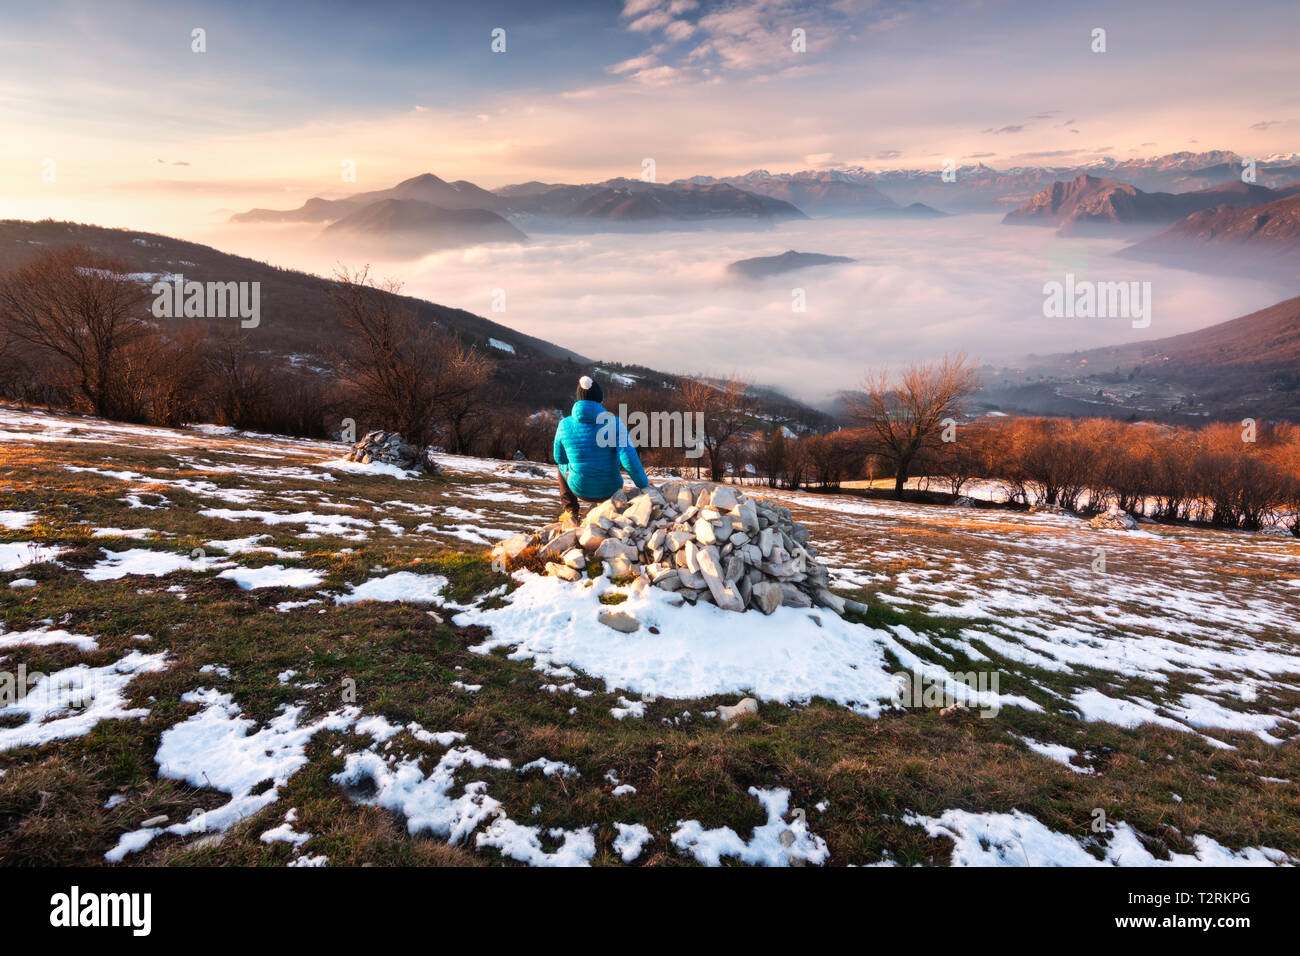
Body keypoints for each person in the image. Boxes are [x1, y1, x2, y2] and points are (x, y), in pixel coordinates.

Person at [553, 375, 649, 519]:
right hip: (610, 489)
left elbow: (559, 457)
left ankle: (571, 512)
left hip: (579, 489)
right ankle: (603, 508)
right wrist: (643, 484)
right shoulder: (615, 423)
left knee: (561, 468)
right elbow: (629, 459)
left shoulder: (564, 424)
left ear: (578, 398)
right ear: (600, 399)